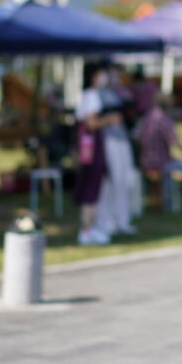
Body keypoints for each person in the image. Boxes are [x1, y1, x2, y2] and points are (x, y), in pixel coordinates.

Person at [134, 93, 182, 213]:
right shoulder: (163, 120)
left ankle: (167, 201)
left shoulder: (146, 117)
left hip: (145, 160)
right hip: (162, 162)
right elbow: (175, 142)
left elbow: (137, 137)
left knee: (170, 170)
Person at [91, 63, 138, 235]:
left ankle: (122, 219)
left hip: (122, 139)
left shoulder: (119, 92)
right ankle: (108, 220)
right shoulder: (96, 94)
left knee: (124, 180)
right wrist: (109, 119)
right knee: (111, 181)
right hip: (108, 140)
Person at [74, 65, 115, 246]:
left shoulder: (87, 95)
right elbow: (91, 123)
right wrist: (109, 119)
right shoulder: (91, 95)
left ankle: (89, 227)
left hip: (86, 147)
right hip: (92, 147)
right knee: (91, 187)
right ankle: (87, 230)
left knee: (90, 186)